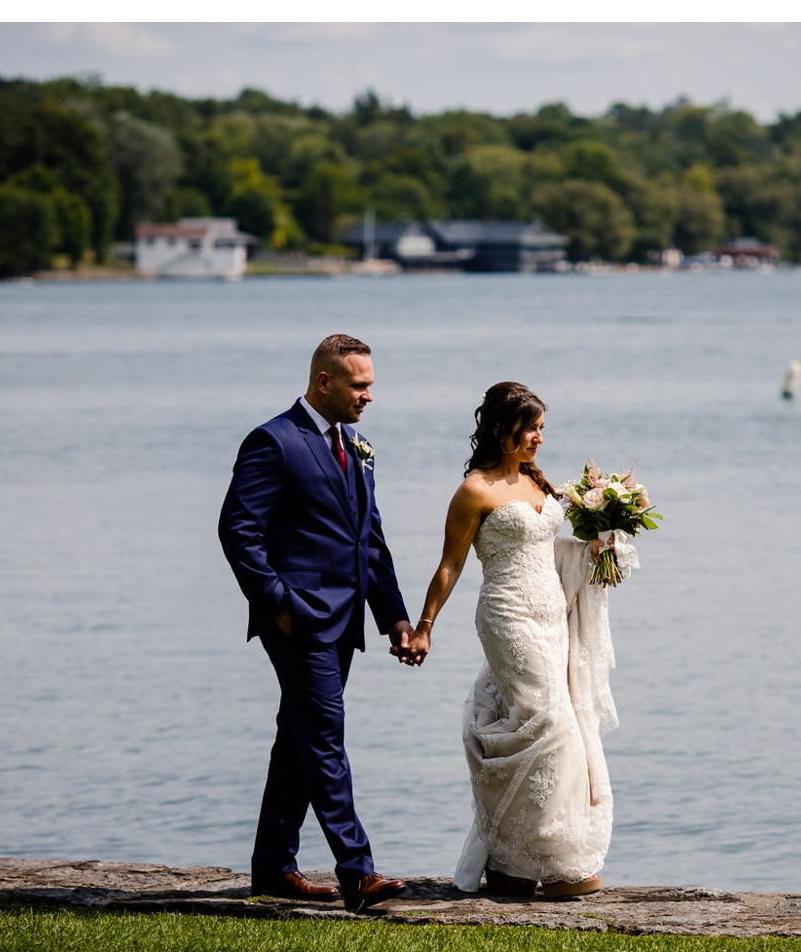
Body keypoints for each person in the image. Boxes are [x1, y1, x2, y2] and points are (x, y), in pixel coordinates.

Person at [399, 382, 629, 899]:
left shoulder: (537, 484)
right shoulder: (474, 491)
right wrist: (425, 626)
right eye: (532, 429)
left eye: (543, 429)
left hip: (553, 615)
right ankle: (537, 857)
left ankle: (522, 863)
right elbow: (450, 565)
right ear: (502, 430)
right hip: (508, 616)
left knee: (555, 721)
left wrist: (599, 545)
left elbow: (554, 548)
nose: (540, 440)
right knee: (549, 724)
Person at [218, 334, 416, 912]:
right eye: (359, 385)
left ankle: (273, 867)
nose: (369, 396)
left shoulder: (358, 447)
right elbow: (238, 531)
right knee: (326, 738)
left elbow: (368, 540)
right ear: (324, 382)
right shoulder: (273, 441)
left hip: (345, 621)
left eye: (371, 385)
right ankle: (358, 872)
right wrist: (278, 601)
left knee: (299, 739)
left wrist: (395, 617)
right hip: (298, 621)